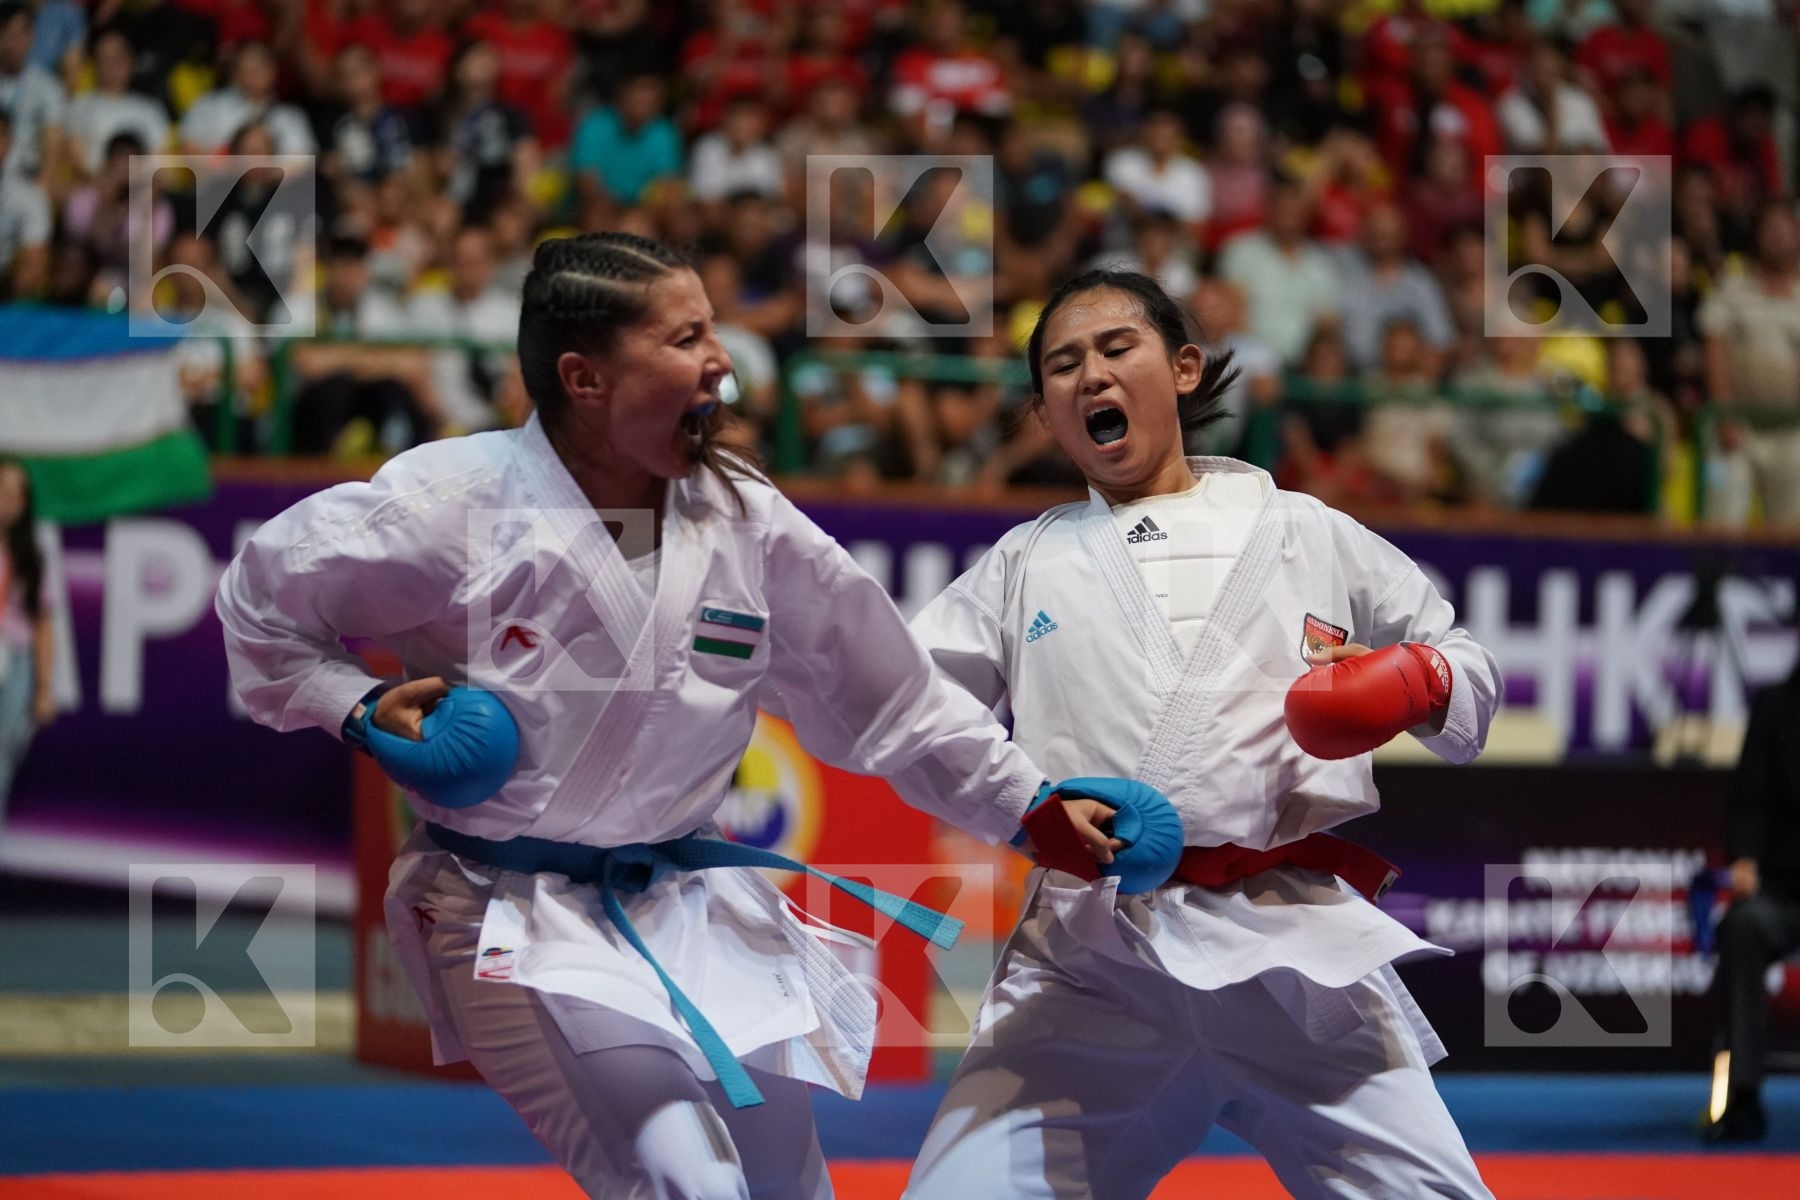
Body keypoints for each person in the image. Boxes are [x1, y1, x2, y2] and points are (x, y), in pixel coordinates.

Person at [215, 232, 1134, 1199]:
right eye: (687, 336)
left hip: (690, 901)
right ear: (587, 378)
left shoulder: (745, 520)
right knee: (688, 1182)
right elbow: (258, 603)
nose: (723, 360)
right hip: (511, 910)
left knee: (792, 1190)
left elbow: (894, 701)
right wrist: (353, 705)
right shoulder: (451, 506)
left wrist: (1029, 806)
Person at [902, 269, 1503, 1200]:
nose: (1090, 377)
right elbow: (909, 706)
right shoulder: (1025, 561)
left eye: (1114, 349)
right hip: (1095, 957)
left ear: (1185, 368)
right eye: (1063, 367)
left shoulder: (1307, 530)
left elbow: (1464, 663)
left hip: (1291, 944)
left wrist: (1424, 681)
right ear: (1046, 415)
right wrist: (1021, 809)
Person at [1703, 657, 1800, 1142]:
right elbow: (1749, 798)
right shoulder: (1776, 706)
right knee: (1742, 926)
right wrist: (1743, 858)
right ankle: (1743, 1098)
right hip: (1784, 893)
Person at [0, 459, 54, 836]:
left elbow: (44, 624)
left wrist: (44, 688)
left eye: (16, 494)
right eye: (2, 490)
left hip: (14, 659)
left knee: (2, 752)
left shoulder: (32, 557)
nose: (8, 500)